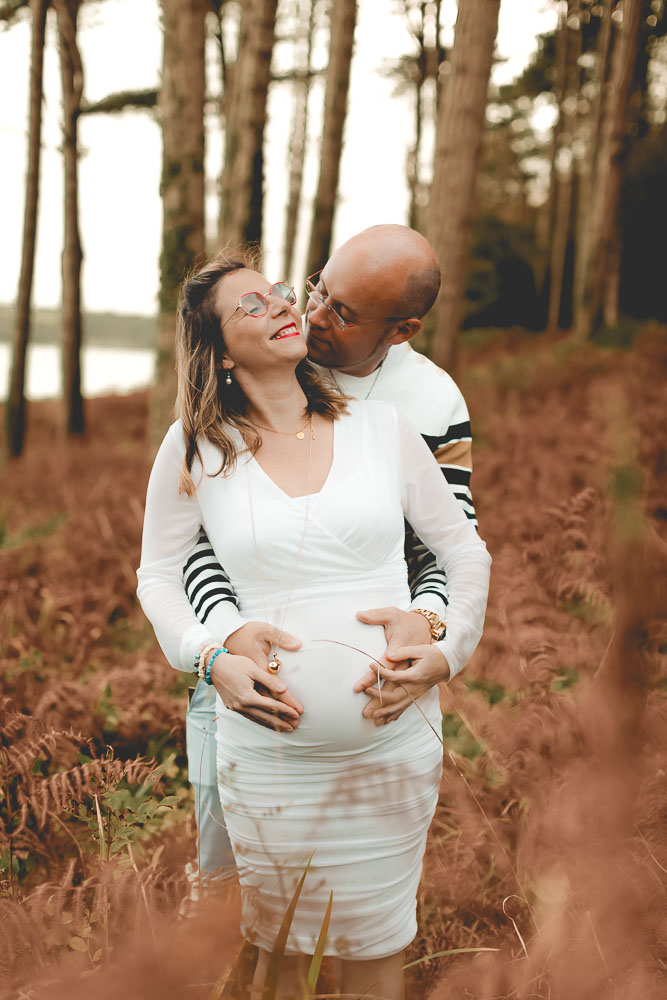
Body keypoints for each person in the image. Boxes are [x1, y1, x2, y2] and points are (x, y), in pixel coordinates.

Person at [137, 250, 491, 999]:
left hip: (392, 746)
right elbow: (159, 576)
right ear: (220, 352)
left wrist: (444, 645)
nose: (282, 306)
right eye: (252, 307)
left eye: (277, 294)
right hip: (270, 757)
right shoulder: (195, 445)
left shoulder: (384, 426)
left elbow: (462, 548)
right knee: (277, 954)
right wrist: (210, 658)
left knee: (376, 949)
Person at [182, 226, 477, 877]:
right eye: (317, 288)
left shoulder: (432, 404)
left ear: (402, 330)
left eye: (341, 313)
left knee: (359, 895)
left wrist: (427, 625)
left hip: (379, 716)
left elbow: (444, 545)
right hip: (238, 691)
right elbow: (193, 546)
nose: (311, 315)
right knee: (226, 882)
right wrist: (227, 642)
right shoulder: (265, 359)